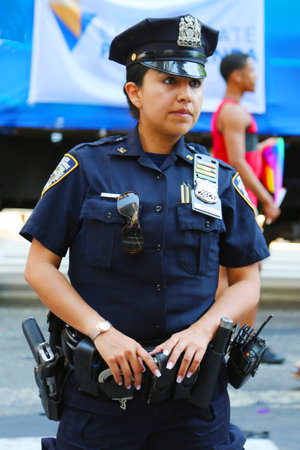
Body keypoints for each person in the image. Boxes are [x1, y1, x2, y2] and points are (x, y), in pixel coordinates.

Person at [21, 16, 270, 449]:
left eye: (194, 84)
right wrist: (101, 331)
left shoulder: (219, 180)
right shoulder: (87, 168)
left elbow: (247, 281)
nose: (185, 95)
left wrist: (202, 330)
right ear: (134, 92)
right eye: (169, 81)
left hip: (194, 402)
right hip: (100, 399)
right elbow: (40, 268)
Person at [211, 52, 284, 364]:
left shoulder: (231, 112)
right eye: (252, 70)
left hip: (233, 199)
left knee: (240, 271)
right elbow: (237, 160)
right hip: (237, 201)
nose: (256, 76)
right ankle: (242, 342)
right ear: (236, 76)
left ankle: (237, 340)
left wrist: (263, 148)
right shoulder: (234, 113)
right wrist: (266, 197)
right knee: (241, 272)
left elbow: (240, 154)